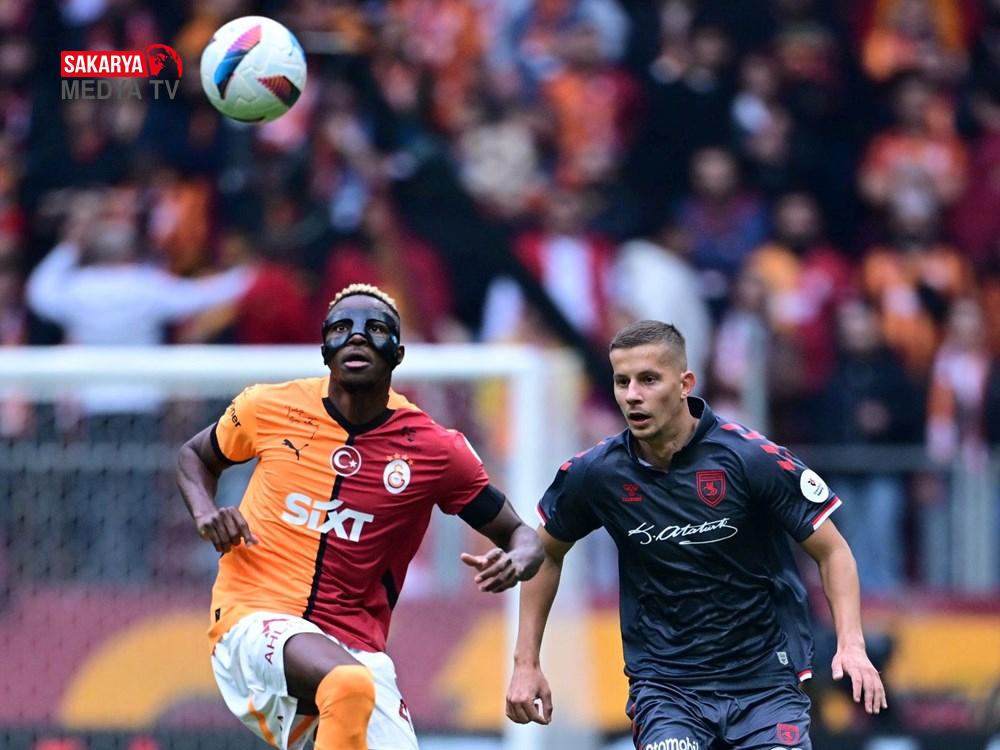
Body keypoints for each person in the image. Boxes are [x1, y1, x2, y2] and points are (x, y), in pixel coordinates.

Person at [176, 283, 543, 750]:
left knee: (352, 684)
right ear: (324, 349)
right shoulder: (267, 406)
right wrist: (205, 513)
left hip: (356, 649)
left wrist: (518, 559)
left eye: (375, 329)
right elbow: (195, 456)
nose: (357, 337)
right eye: (342, 328)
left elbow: (520, 534)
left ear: (398, 354)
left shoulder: (434, 450)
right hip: (252, 617)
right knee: (346, 683)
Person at [506, 319, 886, 749]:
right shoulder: (597, 474)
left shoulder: (750, 459)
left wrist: (851, 643)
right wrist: (525, 662)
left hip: (765, 682)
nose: (632, 395)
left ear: (685, 383)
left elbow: (832, 550)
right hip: (667, 689)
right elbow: (545, 552)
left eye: (649, 380)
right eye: (622, 381)